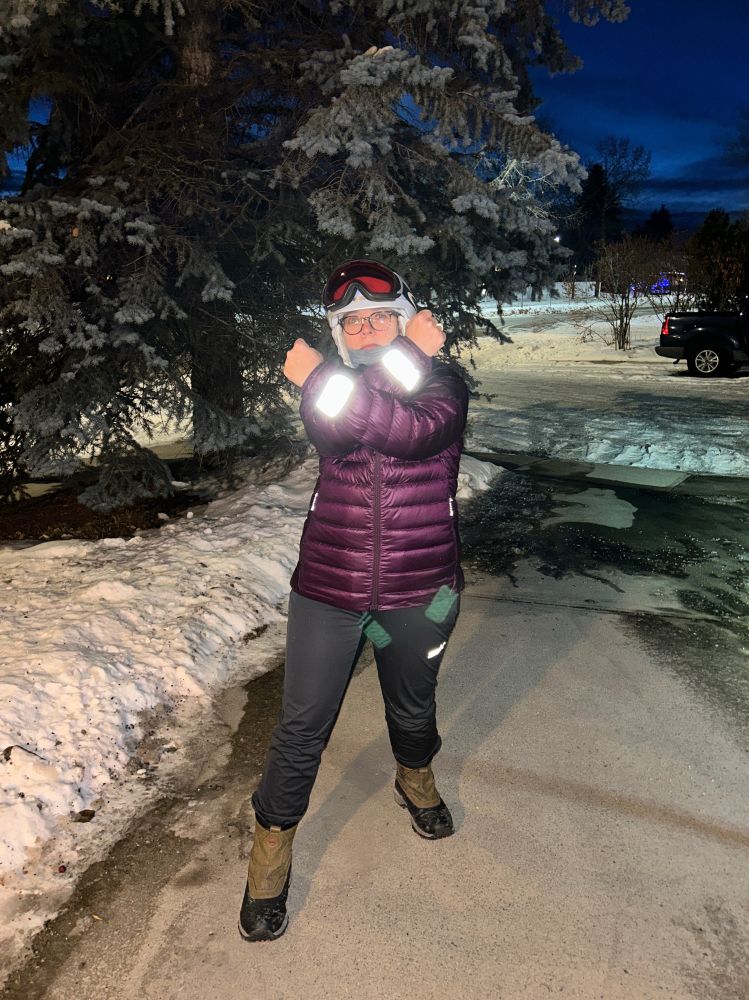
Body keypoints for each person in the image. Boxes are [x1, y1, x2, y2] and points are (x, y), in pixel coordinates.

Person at [238, 259, 469, 941]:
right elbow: (344, 425)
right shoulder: (329, 394)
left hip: (422, 591)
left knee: (412, 699)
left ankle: (415, 776)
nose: (366, 331)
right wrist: (332, 380)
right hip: (329, 589)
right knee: (302, 723)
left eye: (381, 318)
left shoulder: (446, 385)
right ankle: (270, 852)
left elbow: (408, 431)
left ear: (407, 320)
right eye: (353, 323)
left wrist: (321, 374)